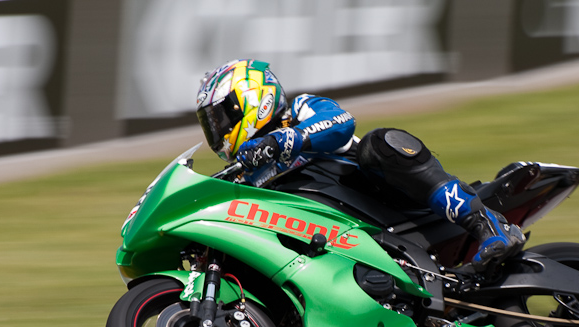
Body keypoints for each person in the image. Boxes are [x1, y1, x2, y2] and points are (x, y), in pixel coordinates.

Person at [195, 59, 524, 271]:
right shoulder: (246, 175)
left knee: (379, 144)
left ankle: (486, 224)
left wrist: (285, 140)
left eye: (220, 117)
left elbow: (341, 121)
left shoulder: (300, 110)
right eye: (210, 124)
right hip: (339, 245)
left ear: (252, 99)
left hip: (391, 203)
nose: (217, 130)